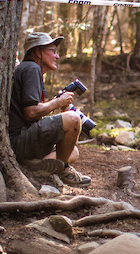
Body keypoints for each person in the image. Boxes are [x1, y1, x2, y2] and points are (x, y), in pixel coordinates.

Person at [8, 33, 92, 188]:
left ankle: (34, 166)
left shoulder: (30, 70)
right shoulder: (31, 68)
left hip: (23, 141)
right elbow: (31, 112)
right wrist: (58, 102)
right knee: (73, 119)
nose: (57, 56)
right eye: (53, 51)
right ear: (38, 52)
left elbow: (31, 114)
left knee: (73, 152)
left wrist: (57, 106)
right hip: (19, 141)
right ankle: (63, 170)